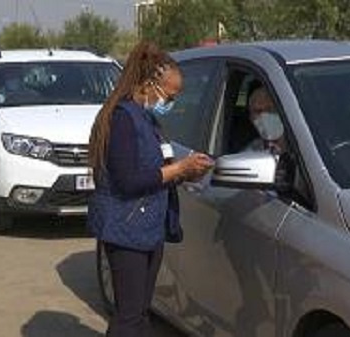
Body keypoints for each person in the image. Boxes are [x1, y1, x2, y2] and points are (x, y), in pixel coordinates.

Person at [87, 41, 214, 337]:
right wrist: (178, 169)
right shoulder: (122, 118)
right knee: (129, 317)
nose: (172, 101)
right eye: (171, 94)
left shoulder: (147, 119)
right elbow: (129, 180)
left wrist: (187, 172)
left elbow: (155, 171)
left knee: (141, 314)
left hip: (147, 228)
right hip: (126, 229)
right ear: (150, 84)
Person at [244, 85, 286, 154]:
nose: (264, 116)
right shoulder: (250, 154)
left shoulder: (301, 144)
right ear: (251, 118)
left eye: (270, 109)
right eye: (258, 111)